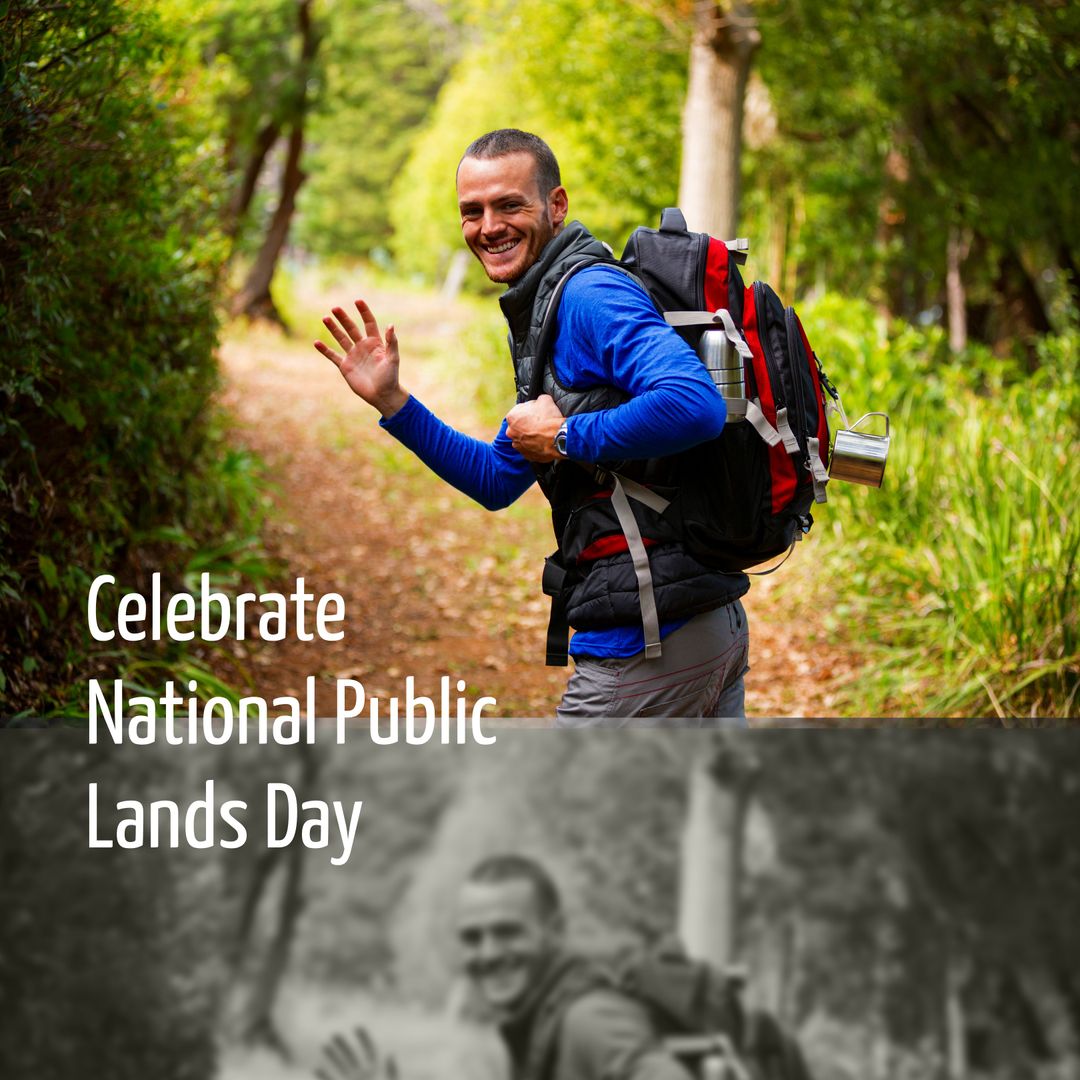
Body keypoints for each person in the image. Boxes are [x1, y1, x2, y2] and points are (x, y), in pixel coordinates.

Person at [314, 129, 750, 726]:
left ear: (556, 205)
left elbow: (695, 403)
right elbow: (498, 478)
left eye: (509, 204)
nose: (488, 226)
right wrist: (393, 401)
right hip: (694, 621)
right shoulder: (546, 305)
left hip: (650, 637)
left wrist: (567, 436)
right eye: (472, 211)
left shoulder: (589, 296)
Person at [455, 854, 694, 1080]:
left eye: (508, 932)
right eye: (472, 937)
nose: (488, 953)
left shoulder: (589, 1018)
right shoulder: (540, 1018)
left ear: (556, 931)